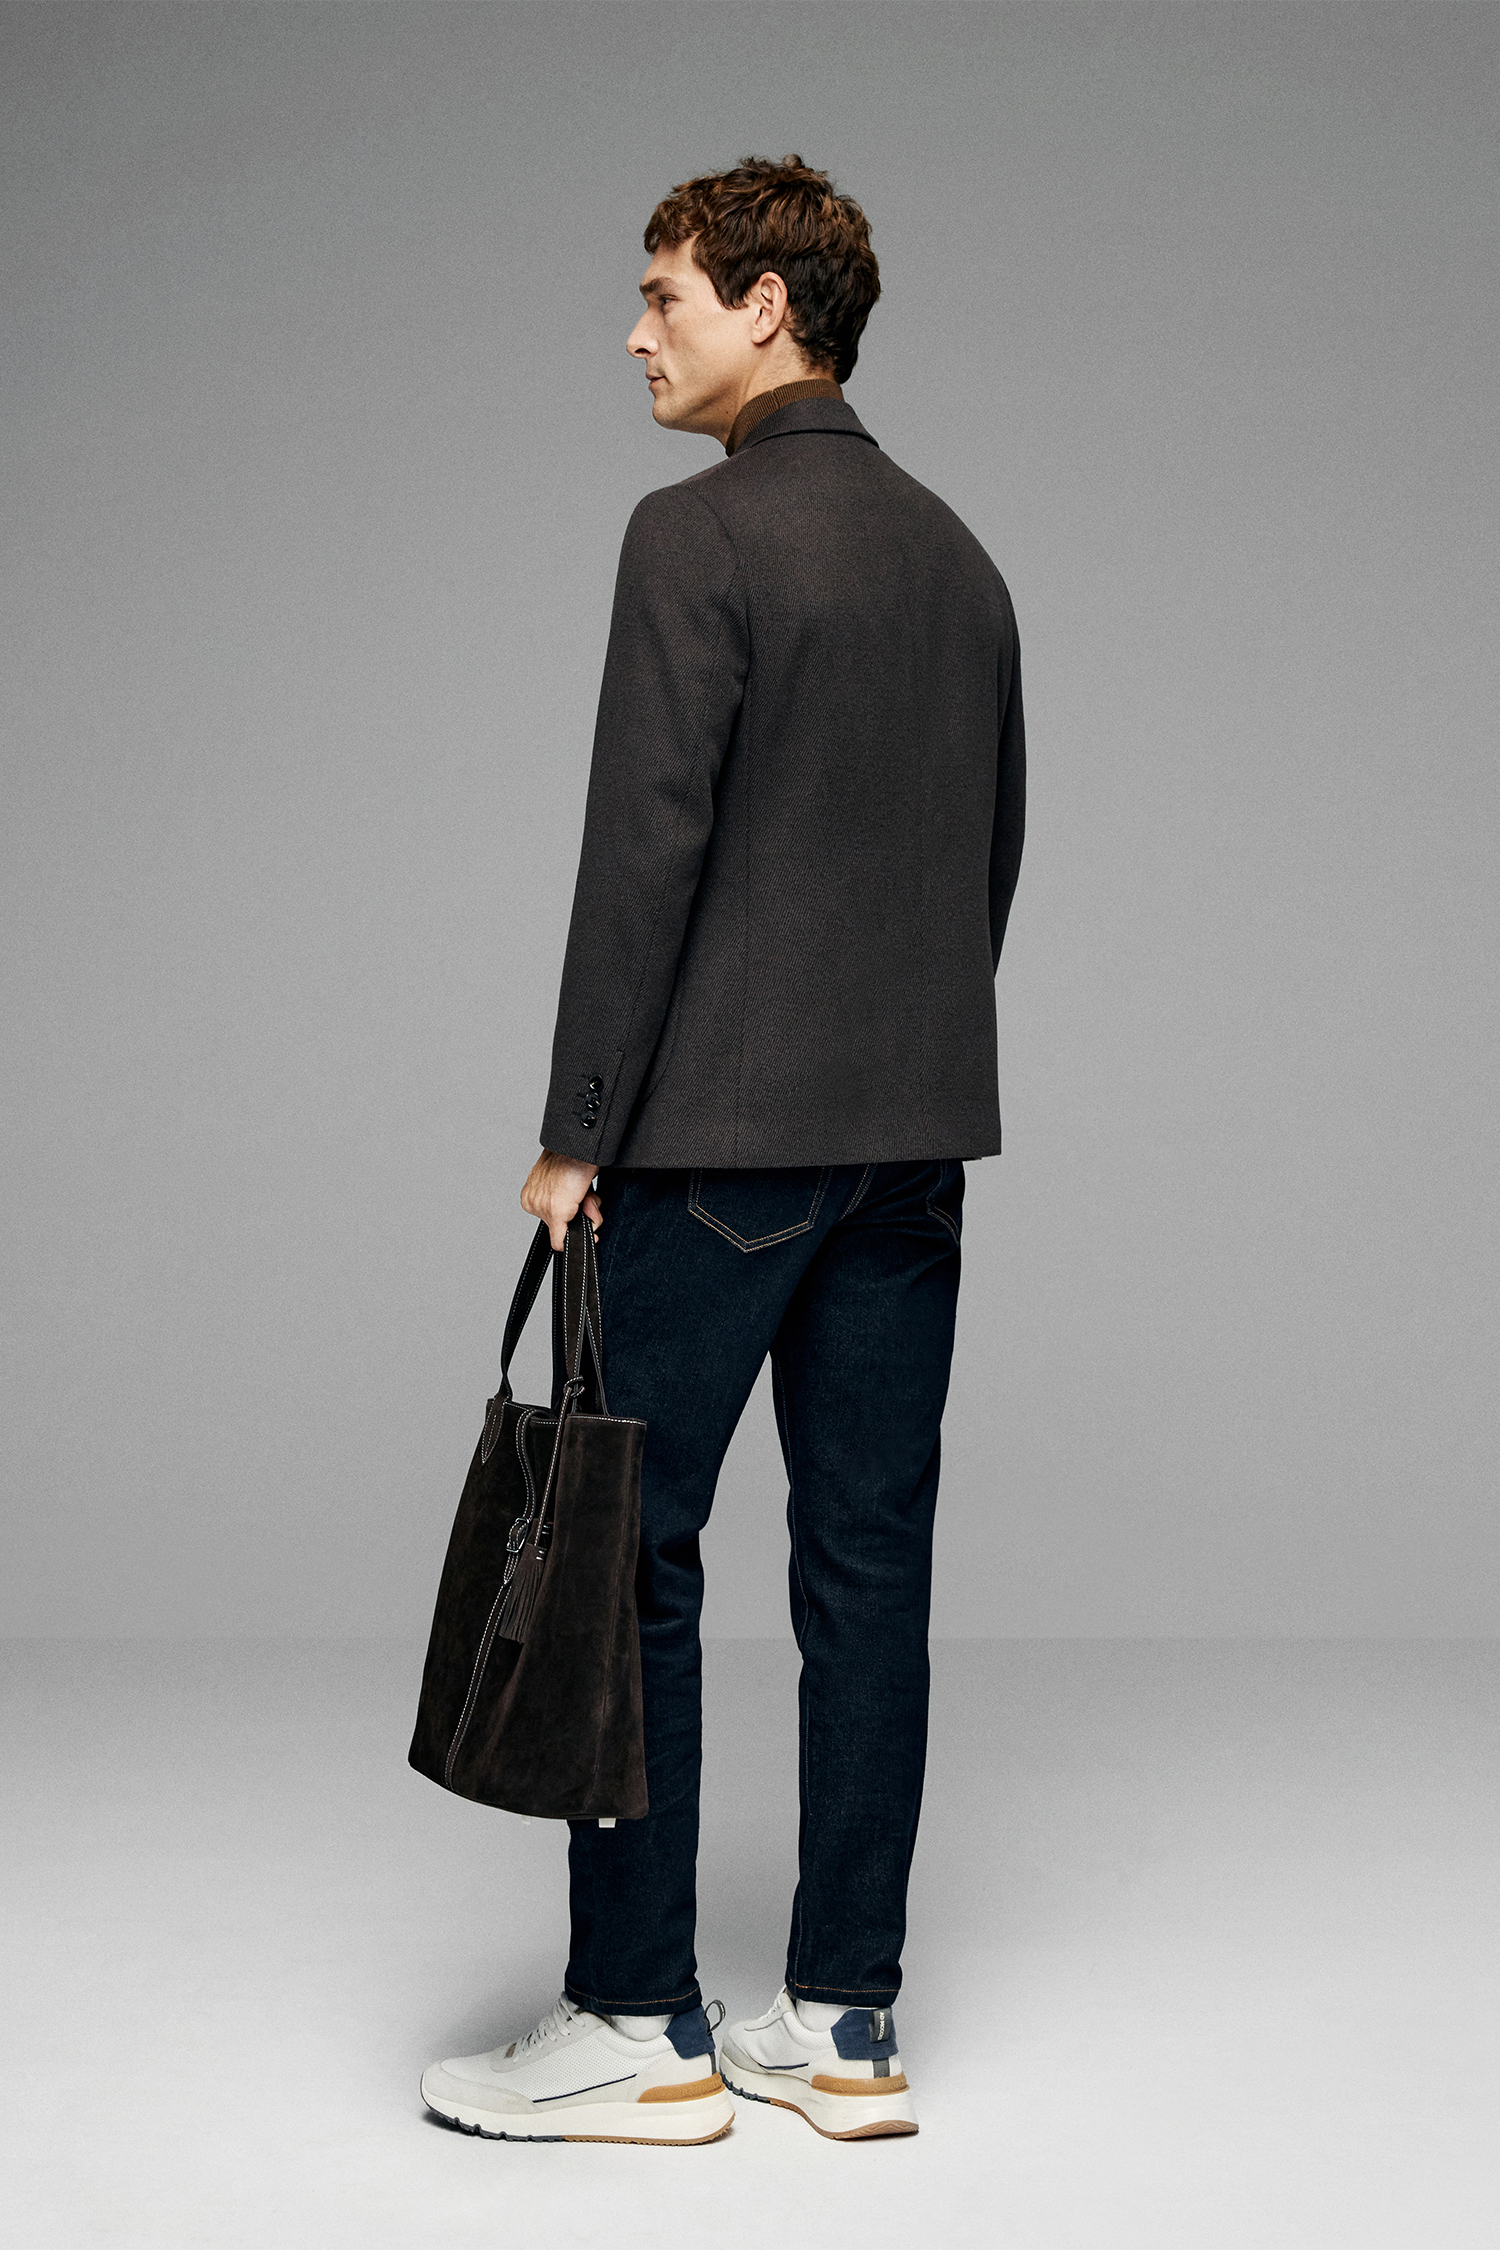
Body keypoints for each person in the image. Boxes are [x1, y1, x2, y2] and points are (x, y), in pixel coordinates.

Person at [421, 154, 1025, 2146]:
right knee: (869, 1567)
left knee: (627, 1555)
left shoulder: (692, 537)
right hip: (911, 1145)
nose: (637, 333)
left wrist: (573, 1131)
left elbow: (644, 854)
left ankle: (635, 2020)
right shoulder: (958, 557)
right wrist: (892, 1065)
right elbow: (989, 859)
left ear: (771, 307)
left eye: (665, 294)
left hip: (714, 1148)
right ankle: (845, 2020)